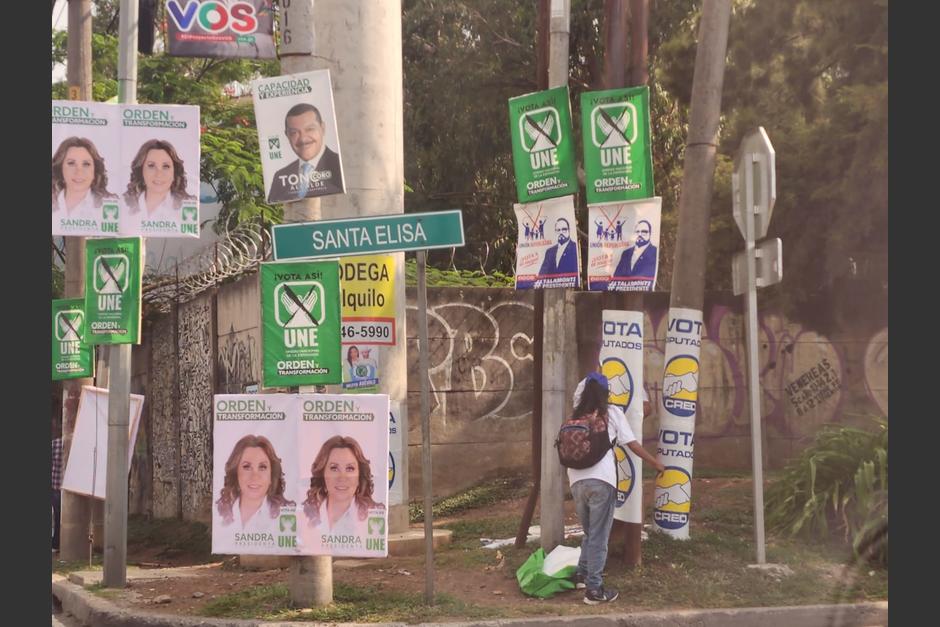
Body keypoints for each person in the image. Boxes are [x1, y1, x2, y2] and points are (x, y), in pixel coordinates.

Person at [567, 372, 665, 605]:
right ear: (604, 394)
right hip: (602, 481)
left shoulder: (576, 416)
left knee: (591, 531)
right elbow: (632, 445)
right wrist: (655, 463)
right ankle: (594, 590)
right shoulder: (611, 413)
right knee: (600, 536)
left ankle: (580, 574)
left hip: (575, 481)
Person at [302, 435, 385, 538]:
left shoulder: (374, 517)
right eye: (334, 468)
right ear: (322, 473)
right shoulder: (304, 516)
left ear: (360, 475)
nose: (342, 477)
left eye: (350, 468)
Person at [215, 435, 295, 533]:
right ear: (235, 473)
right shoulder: (216, 514)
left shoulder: (287, 515)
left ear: (272, 475)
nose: (255, 476)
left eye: (262, 467)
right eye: (247, 467)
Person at [267, 103, 344, 202]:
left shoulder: (340, 166)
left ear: (323, 128)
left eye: (310, 129)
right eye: (294, 132)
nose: (303, 139)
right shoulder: (280, 176)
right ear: (287, 135)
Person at [123, 139, 196, 223]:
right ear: (141, 170)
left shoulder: (188, 205)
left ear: (175, 171)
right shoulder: (123, 204)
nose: (159, 174)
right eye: (151, 166)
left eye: (166, 166)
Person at [51, 136, 117, 220]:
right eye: (71, 163)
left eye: (86, 164)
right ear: (60, 168)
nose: (79, 171)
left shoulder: (111, 204)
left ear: (95, 170)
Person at [52, 426, 63, 553]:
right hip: (70, 487)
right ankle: (57, 544)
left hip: (55, 486)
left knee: (57, 516)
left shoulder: (54, 444)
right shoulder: (74, 446)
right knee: (59, 517)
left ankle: (55, 544)